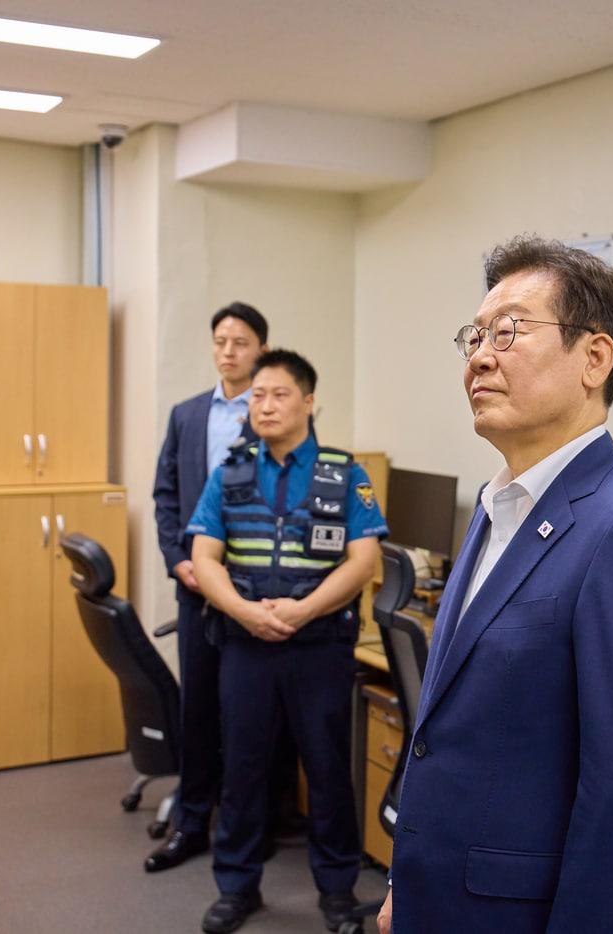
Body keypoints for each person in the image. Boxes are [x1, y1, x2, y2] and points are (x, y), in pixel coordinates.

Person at [378, 236, 613, 934]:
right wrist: (409, 877)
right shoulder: (501, 508)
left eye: (510, 332)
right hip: (442, 897)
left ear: (595, 359)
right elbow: (446, 733)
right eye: (475, 336)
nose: (480, 356)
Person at [186, 349, 387, 933]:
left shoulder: (343, 472)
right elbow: (204, 556)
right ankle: (237, 887)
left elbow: (363, 560)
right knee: (242, 767)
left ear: (308, 401)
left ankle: (337, 890)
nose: (265, 405)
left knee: (326, 770)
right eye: (257, 395)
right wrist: (246, 612)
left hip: (318, 645)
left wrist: (301, 610)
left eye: (278, 394)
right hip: (246, 646)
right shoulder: (229, 472)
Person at [148, 302, 266, 873]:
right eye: (220, 340)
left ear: (260, 350)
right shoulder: (186, 415)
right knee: (197, 712)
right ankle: (191, 823)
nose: (228, 350)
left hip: (251, 590)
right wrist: (179, 561)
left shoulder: (276, 413)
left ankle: (249, 830)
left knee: (247, 715)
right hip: (195, 588)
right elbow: (165, 496)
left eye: (240, 341)